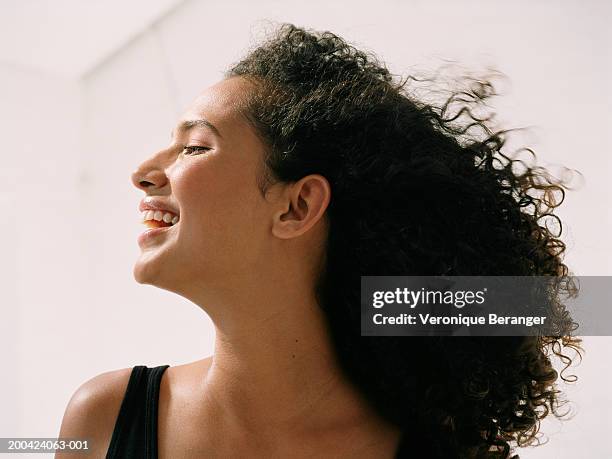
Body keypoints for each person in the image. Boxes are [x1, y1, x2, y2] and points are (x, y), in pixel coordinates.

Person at [57, 24, 581, 458]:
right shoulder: (101, 419)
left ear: (297, 206)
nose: (143, 173)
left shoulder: (436, 450)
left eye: (194, 147)